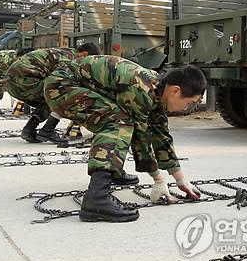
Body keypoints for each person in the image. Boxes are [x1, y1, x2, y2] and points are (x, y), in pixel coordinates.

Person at [44, 55, 206, 222]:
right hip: (61, 87)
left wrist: (180, 179)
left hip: (73, 85)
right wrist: (158, 179)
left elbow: (161, 134)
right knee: (119, 123)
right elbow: (140, 138)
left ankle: (112, 172)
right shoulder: (140, 88)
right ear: (175, 91)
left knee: (120, 119)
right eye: (189, 102)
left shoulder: (157, 90)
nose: (187, 108)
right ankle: (97, 197)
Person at [6, 44, 99, 144]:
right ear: (85, 54)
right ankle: (47, 130)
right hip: (25, 81)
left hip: (12, 84)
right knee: (63, 95)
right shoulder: (70, 59)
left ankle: (29, 129)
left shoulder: (65, 52)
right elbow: (59, 81)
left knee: (49, 99)